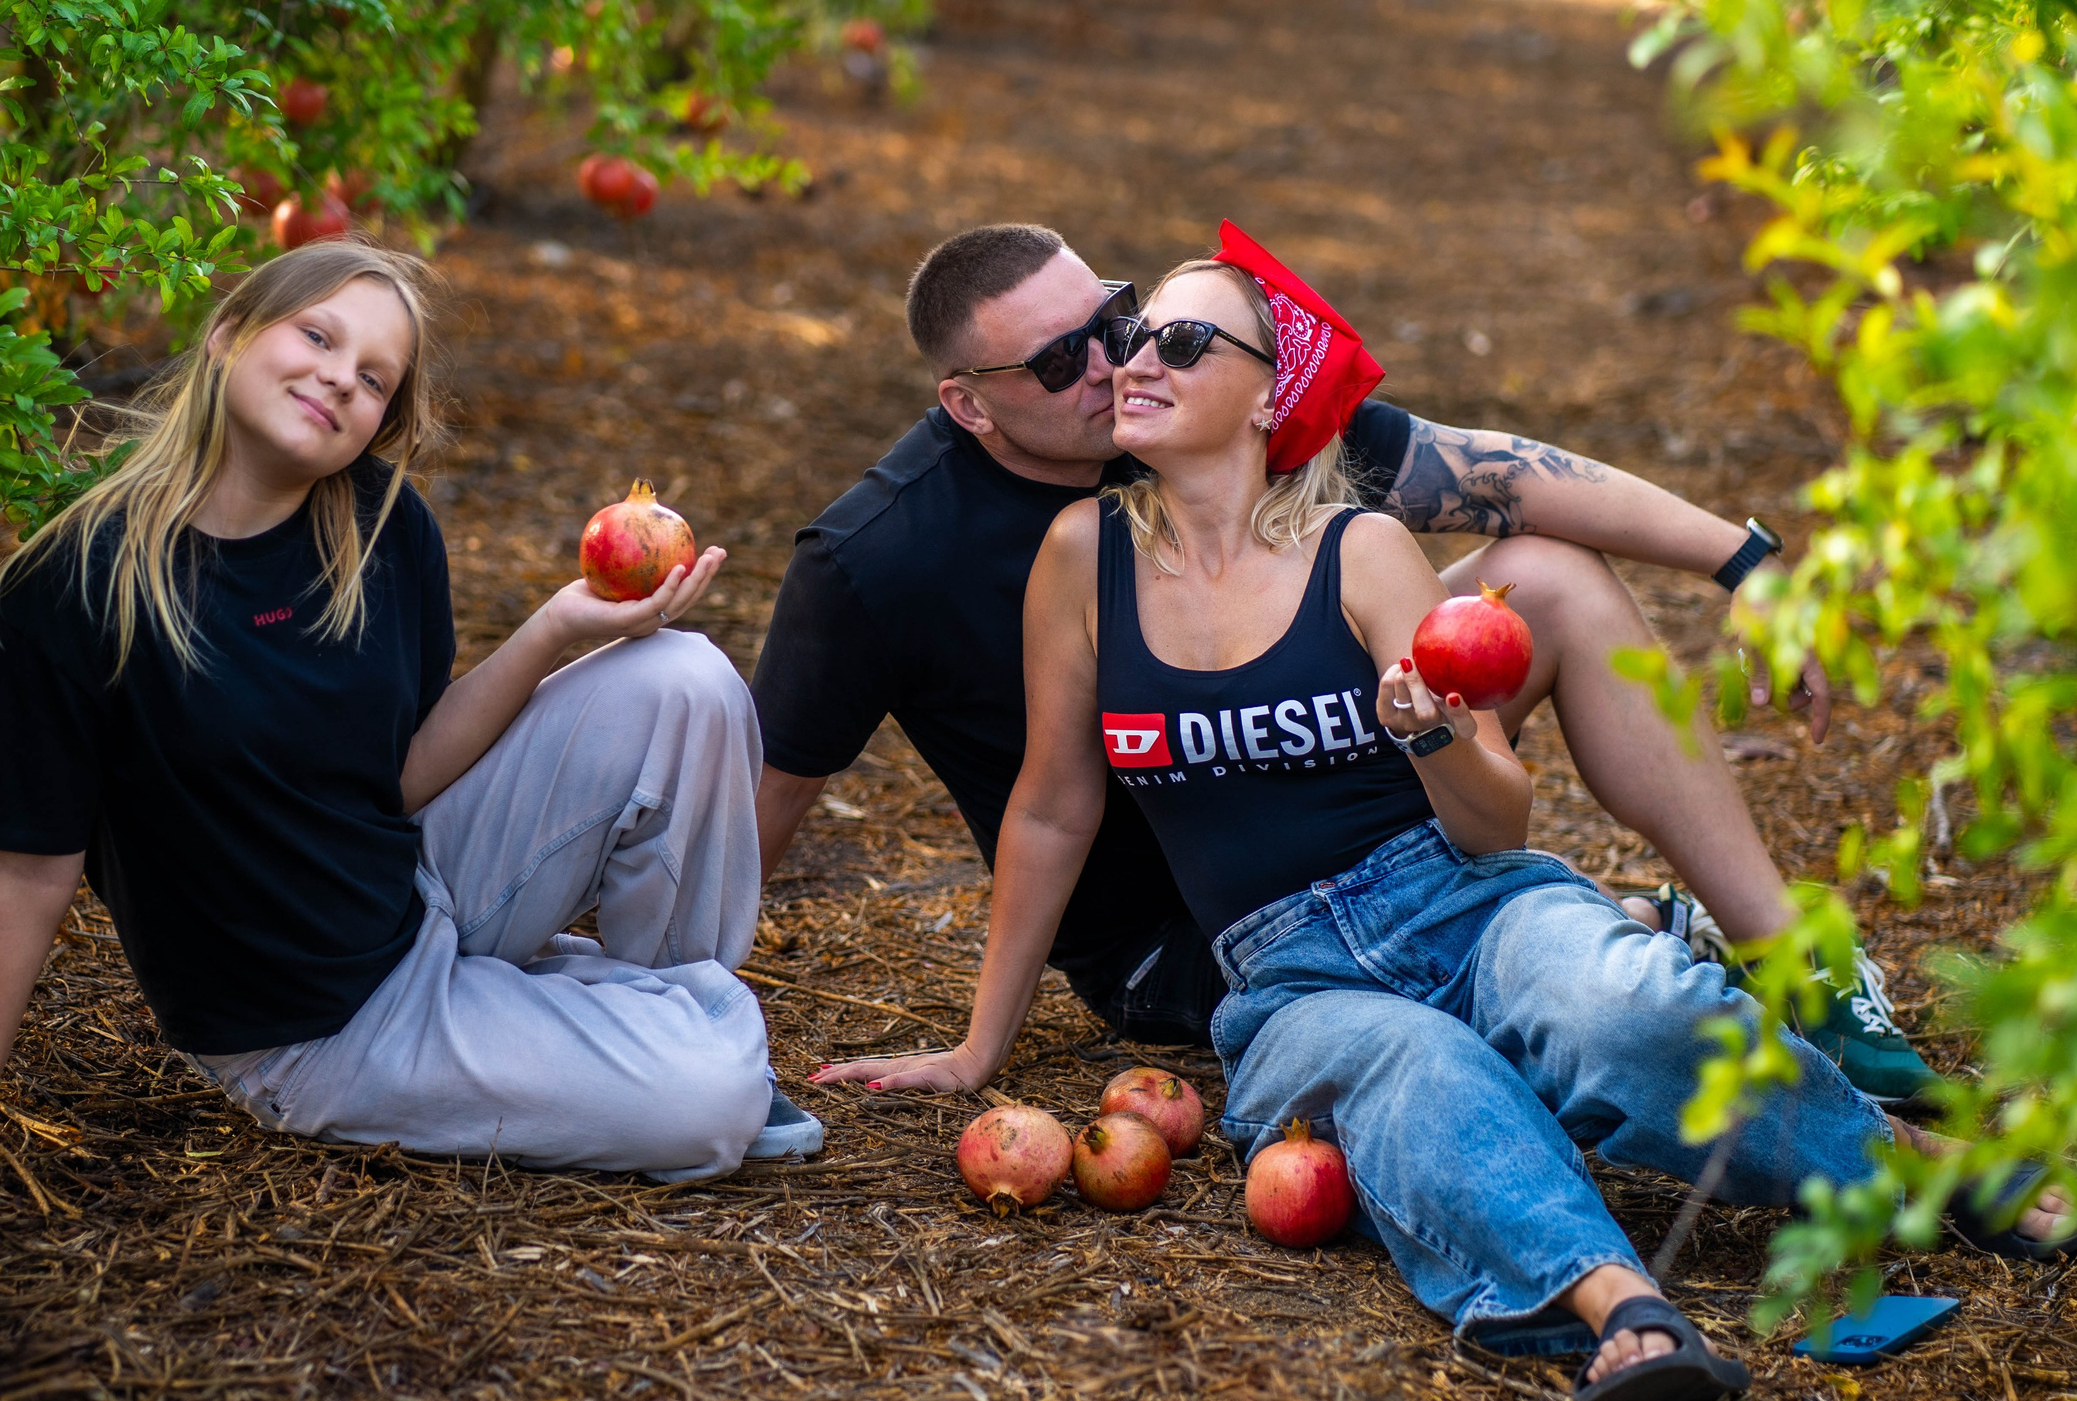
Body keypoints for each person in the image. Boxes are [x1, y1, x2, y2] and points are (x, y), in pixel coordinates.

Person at [820, 234, 2070, 1401]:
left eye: (1182, 344)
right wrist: (980, 1047)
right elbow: (1051, 804)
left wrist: (1430, 737)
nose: (1133, 360)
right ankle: (1619, 1310)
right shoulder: (1080, 557)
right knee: (1419, 1078)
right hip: (1283, 976)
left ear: (1266, 397)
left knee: (1620, 1013)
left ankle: (1903, 1162)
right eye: (1139, 334)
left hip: (1459, 899)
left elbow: (1496, 817)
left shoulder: (1361, 551)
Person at [754, 223, 1931, 1101]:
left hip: (1363, 813)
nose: (1115, 367)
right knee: (1473, 1034)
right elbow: (768, 810)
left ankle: (1790, 958)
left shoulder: (1197, 402)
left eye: (1116, 320)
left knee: (1550, 575)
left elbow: (1499, 475)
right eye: (1062, 363)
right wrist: (687, 1008)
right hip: (1197, 928)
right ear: (969, 406)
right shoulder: (876, 561)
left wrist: (1744, 563)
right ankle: (1643, 940)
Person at [0, 240, 822, 1192]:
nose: (341, 378)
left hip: (410, 883)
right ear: (226, 335)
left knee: (686, 676)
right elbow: (26, 868)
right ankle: (663, 1047)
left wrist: (559, 626)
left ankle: (652, 1013)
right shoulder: (77, 584)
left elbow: (405, 774)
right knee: (710, 1102)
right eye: (318, 337)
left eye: (374, 378)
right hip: (317, 1024)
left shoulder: (381, 524)